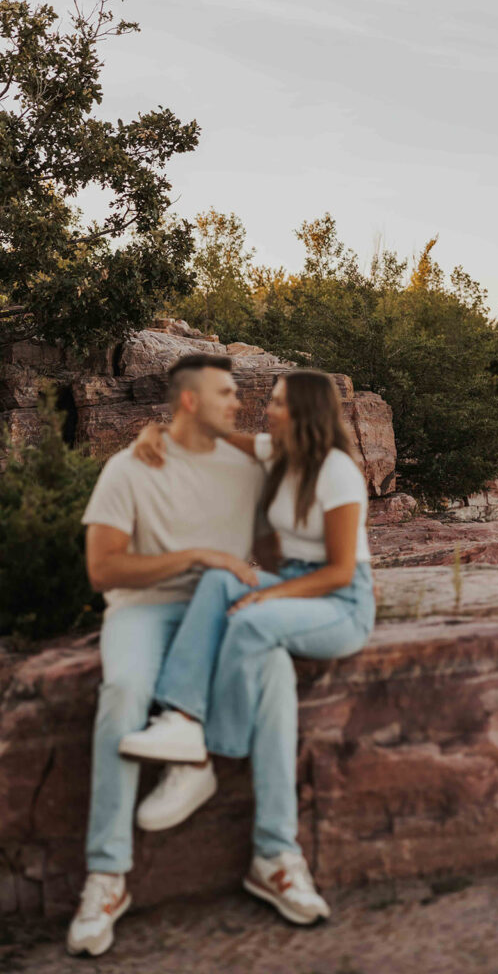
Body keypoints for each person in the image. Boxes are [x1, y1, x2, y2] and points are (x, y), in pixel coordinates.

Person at [118, 369, 376, 927]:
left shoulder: (337, 472)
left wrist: (268, 597)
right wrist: (153, 434)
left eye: (279, 403)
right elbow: (204, 435)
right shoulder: (274, 452)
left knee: (250, 624)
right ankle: (270, 851)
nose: (267, 410)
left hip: (339, 603)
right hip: (291, 587)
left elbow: (336, 572)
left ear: (305, 413)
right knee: (220, 584)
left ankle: (206, 758)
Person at [67, 353, 268, 957]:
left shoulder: (248, 465)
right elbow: (102, 570)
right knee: (123, 694)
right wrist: (195, 555)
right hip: (144, 610)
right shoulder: (130, 468)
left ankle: (273, 847)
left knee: (274, 667)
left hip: (224, 605)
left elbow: (316, 453)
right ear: (188, 400)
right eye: (225, 394)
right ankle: (106, 879)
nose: (239, 402)